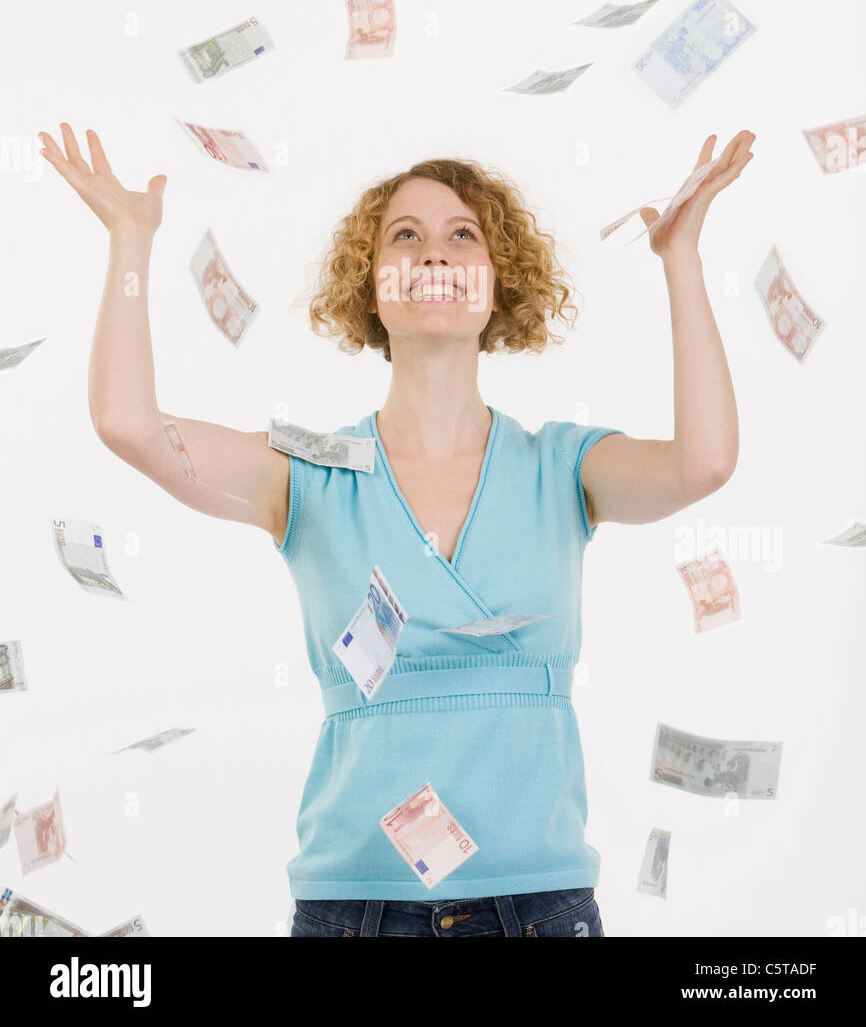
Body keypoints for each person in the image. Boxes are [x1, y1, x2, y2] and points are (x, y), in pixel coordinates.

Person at [38, 123, 754, 938]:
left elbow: (705, 462)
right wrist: (131, 241)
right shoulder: (310, 471)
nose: (435, 255)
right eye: (405, 237)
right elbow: (131, 426)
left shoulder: (563, 466)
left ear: (499, 281)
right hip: (357, 911)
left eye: (463, 236)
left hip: (541, 908)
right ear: (371, 285)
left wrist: (681, 258)